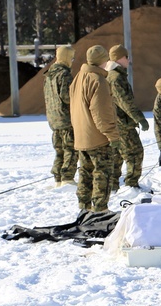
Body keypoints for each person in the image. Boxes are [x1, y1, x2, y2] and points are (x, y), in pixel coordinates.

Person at [69, 45, 120, 213]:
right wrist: (112, 136)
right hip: (98, 137)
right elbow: (101, 113)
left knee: (85, 173)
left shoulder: (79, 77)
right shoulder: (98, 80)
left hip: (81, 136)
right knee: (102, 174)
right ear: (103, 61)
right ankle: (100, 211)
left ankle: (84, 208)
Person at [106, 44, 149, 189]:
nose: (129, 60)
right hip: (122, 124)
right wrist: (139, 118)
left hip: (115, 123)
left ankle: (113, 186)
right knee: (135, 153)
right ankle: (131, 185)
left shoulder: (114, 75)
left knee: (117, 156)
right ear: (119, 58)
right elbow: (125, 102)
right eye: (127, 57)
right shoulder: (116, 77)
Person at [43, 44, 77, 187]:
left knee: (59, 151)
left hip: (53, 118)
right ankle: (67, 179)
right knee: (70, 149)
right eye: (72, 58)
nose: (72, 61)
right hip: (66, 118)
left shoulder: (48, 74)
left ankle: (58, 178)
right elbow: (67, 96)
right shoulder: (64, 74)